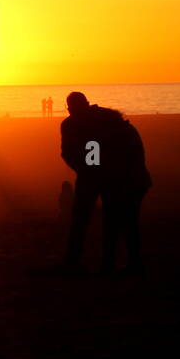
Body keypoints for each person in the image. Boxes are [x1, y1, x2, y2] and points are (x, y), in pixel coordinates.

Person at [53, 92, 151, 275]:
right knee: (84, 219)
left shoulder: (103, 120)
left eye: (77, 108)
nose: (75, 112)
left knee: (110, 220)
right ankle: (79, 261)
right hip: (98, 175)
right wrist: (88, 169)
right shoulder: (76, 123)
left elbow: (123, 147)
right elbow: (69, 153)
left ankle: (107, 263)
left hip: (112, 176)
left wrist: (95, 169)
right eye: (73, 109)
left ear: (86, 105)